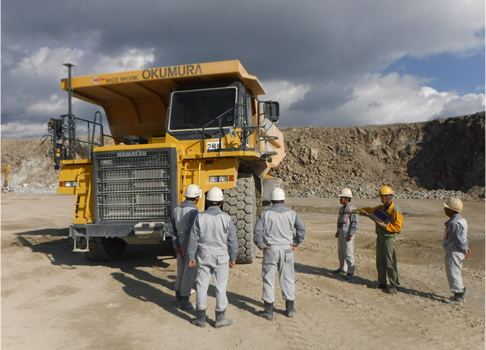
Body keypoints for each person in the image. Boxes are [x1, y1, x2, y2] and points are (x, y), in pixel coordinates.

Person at [187, 187, 238, 328]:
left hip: (203, 255)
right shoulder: (226, 219)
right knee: (221, 287)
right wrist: (233, 258)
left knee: (202, 286)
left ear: (208, 202)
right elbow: (232, 241)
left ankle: (200, 318)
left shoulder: (200, 217)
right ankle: (220, 319)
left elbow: (193, 239)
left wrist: (191, 256)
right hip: (221, 257)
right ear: (221, 202)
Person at [253, 187, 306, 320]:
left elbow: (257, 233)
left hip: (271, 249)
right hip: (287, 250)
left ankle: (268, 311)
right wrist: (295, 244)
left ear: (271, 200)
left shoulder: (265, 214)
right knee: (288, 279)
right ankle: (289, 309)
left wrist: (261, 246)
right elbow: (301, 229)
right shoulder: (292, 213)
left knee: (268, 280)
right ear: (283, 200)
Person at [348, 186, 403, 294]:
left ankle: (394, 285)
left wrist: (384, 226)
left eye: (383, 197)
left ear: (389, 197)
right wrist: (355, 211)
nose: (382, 199)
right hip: (381, 237)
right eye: (381, 197)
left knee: (390, 262)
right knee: (380, 260)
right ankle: (382, 282)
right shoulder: (381, 209)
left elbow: (397, 227)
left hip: (389, 239)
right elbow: (368, 211)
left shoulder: (395, 211)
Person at [169, 184, 201, 310]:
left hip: (179, 243)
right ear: (196, 197)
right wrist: (186, 247)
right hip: (189, 244)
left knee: (180, 272)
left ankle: (178, 296)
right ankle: (184, 300)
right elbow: (191, 232)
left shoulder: (177, 209)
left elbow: (172, 229)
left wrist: (176, 245)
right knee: (189, 273)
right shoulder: (194, 211)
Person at [442, 198, 470, 304]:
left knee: (453, 272)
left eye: (446, 208)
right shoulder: (461, 220)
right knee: (456, 272)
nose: (444, 209)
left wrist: (464, 249)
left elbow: (457, 239)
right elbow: (465, 237)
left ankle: (458, 297)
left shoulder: (454, 223)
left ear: (452, 210)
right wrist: (465, 248)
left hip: (454, 251)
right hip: (458, 250)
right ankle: (459, 294)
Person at [333, 188, 359, 280]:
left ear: (347, 198)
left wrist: (351, 234)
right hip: (341, 233)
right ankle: (342, 268)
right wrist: (337, 231)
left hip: (347, 234)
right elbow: (339, 221)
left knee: (348, 253)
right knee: (341, 252)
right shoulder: (341, 209)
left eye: (342, 197)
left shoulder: (352, 209)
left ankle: (351, 271)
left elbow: (354, 223)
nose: (340, 199)